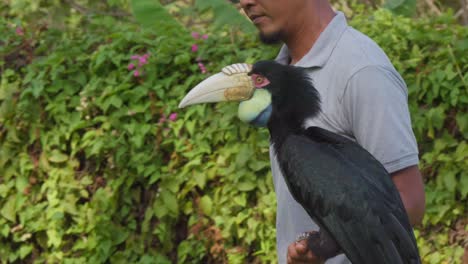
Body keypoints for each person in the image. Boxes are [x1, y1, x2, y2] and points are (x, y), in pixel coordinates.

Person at [238, 0, 426, 263]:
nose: (245, 2)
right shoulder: (283, 73)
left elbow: (410, 202)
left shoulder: (361, 70)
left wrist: (322, 249)